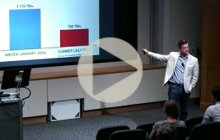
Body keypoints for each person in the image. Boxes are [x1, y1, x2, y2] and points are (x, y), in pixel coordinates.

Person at [142, 39, 199, 120]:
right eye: (184, 48)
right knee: (171, 109)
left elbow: (195, 76)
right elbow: (161, 57)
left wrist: (190, 87)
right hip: (174, 87)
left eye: (187, 47)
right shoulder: (173, 55)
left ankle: (182, 127)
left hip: (185, 88)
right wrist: (148, 53)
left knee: (184, 110)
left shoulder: (194, 60)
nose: (186, 49)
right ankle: (171, 127)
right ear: (180, 48)